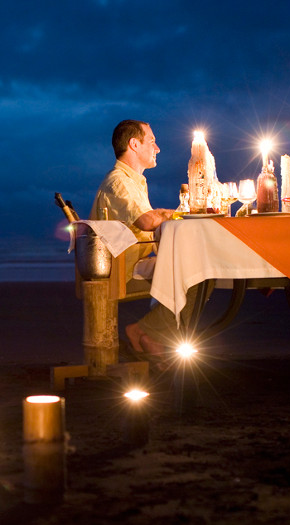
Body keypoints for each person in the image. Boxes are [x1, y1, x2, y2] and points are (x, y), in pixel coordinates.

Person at [90, 120, 202, 365]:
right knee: (197, 274)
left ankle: (150, 332)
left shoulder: (133, 181)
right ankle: (147, 332)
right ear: (134, 144)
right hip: (123, 266)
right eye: (151, 141)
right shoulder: (119, 181)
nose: (158, 148)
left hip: (133, 259)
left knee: (198, 270)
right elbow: (146, 221)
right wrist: (182, 213)